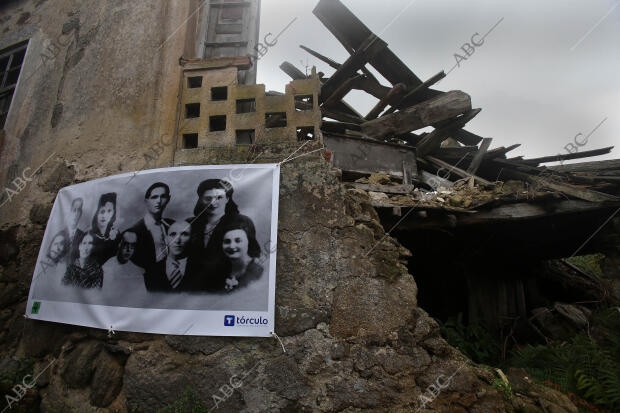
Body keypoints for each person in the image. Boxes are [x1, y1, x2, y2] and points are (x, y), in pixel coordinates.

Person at [208, 214, 263, 292]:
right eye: (227, 242)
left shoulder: (257, 272)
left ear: (249, 242)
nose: (232, 246)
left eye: (238, 241)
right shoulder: (219, 272)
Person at [144, 220, 202, 292]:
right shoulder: (151, 271)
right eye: (173, 234)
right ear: (166, 239)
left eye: (184, 234)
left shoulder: (203, 270)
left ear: (193, 238)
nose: (177, 240)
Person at [190, 179, 239, 260]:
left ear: (227, 199)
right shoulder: (192, 224)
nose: (213, 202)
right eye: (208, 198)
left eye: (219, 197)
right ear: (201, 200)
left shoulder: (238, 224)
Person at [129, 182, 174, 269]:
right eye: (154, 197)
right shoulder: (135, 231)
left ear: (168, 199)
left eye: (163, 196)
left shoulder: (172, 225)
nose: (159, 201)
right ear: (146, 201)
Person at [102, 230, 147, 300]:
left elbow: (142, 298)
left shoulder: (137, 271)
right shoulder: (107, 267)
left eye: (132, 246)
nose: (128, 250)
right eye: (126, 245)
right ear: (119, 244)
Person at [32, 229, 69, 297]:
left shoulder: (61, 269)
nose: (57, 248)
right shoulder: (40, 260)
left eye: (61, 245)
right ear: (51, 244)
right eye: (55, 243)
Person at [91, 193, 120, 265]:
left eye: (109, 211)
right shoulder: (89, 235)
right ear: (97, 212)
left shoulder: (116, 235)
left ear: (113, 213)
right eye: (102, 211)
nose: (105, 215)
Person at [66, 197, 84, 262]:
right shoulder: (62, 232)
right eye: (74, 210)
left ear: (80, 214)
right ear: (70, 211)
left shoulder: (82, 234)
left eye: (79, 210)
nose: (76, 214)